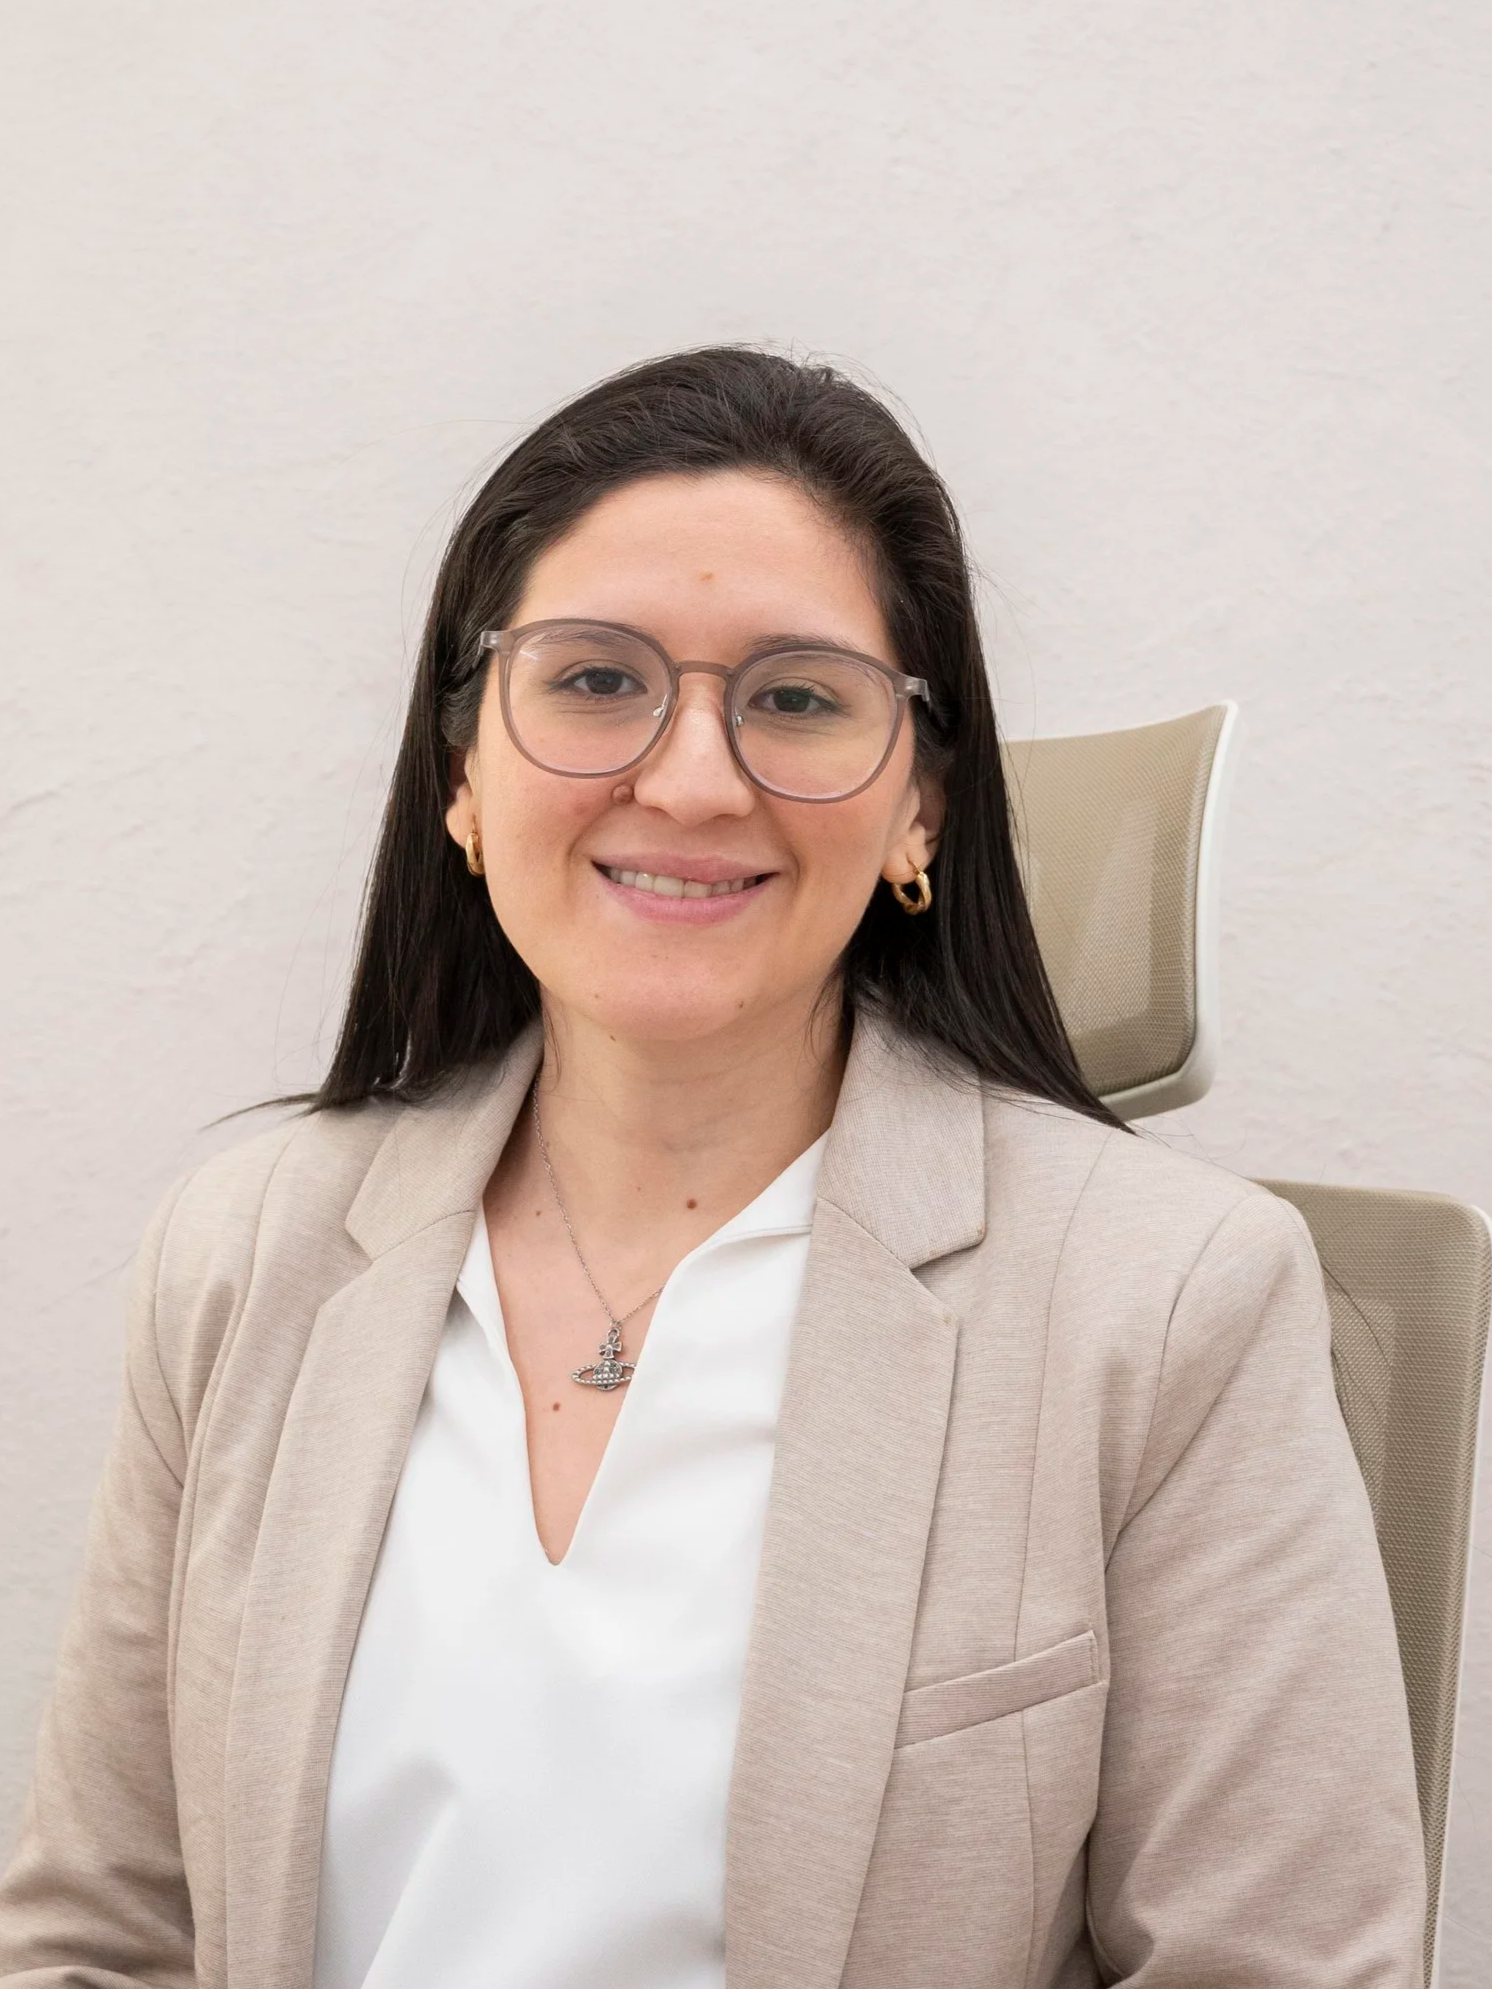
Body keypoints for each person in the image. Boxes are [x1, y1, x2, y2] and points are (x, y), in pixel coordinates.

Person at [0, 347, 1425, 1988]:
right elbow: (103, 1935)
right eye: (595, 680)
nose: (688, 781)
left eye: (798, 698)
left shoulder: (1165, 1306)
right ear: (463, 776)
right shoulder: (247, 1255)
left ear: (921, 810)